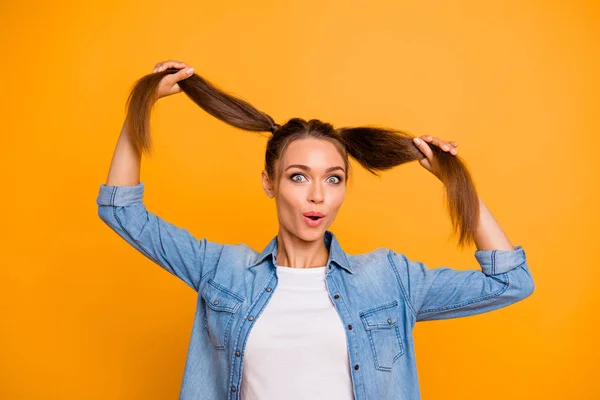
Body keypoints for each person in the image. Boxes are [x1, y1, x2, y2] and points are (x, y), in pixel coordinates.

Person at [96, 60, 535, 400]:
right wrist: (145, 102)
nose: (317, 196)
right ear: (269, 182)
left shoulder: (388, 279)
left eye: (334, 178)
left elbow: (510, 282)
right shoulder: (222, 271)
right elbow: (121, 211)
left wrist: (453, 179)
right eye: (299, 176)